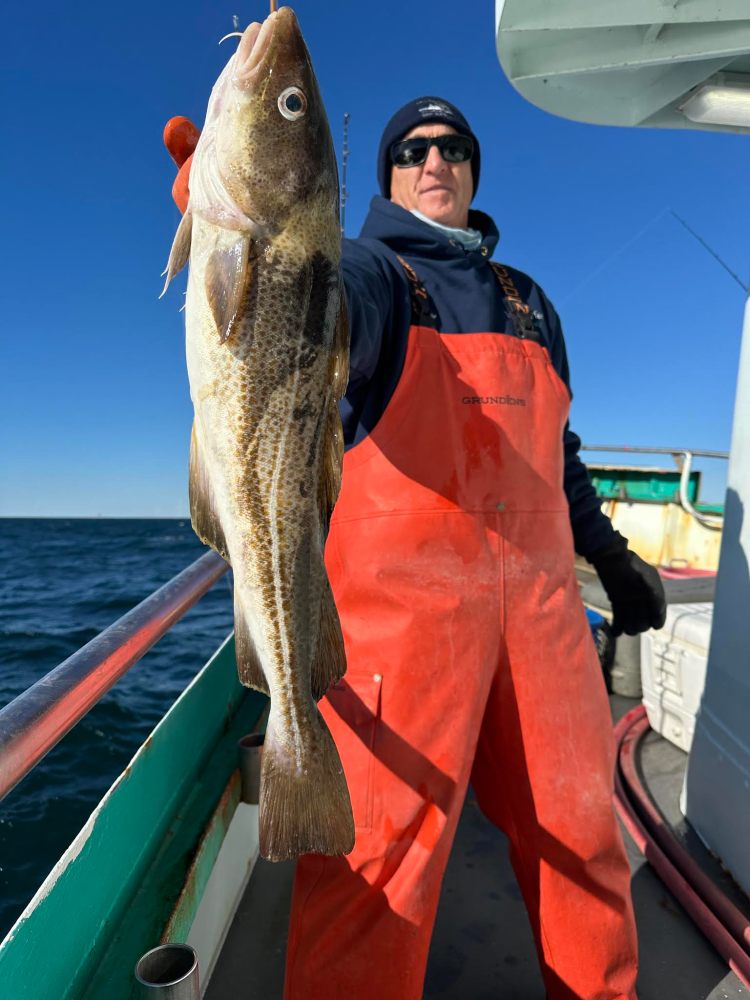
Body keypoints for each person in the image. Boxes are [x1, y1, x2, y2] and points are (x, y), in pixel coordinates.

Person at [164, 96, 666, 1000]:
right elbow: (327, 314)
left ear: (473, 170)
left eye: (453, 148)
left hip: (548, 620)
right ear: (389, 175)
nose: (434, 161)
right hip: (403, 627)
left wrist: (614, 558)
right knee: (378, 863)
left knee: (585, 839)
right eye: (411, 150)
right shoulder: (374, 272)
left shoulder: (530, 302)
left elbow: (560, 457)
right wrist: (260, 249)